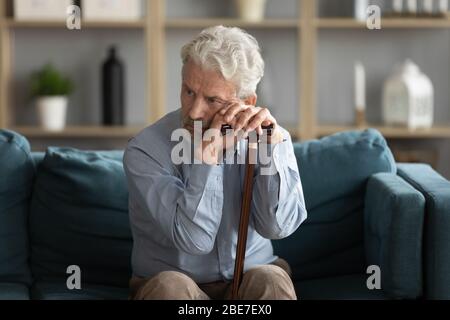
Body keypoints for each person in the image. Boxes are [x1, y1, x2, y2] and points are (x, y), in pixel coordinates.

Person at [123, 25, 307, 300]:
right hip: (174, 283)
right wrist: (207, 157)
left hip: (250, 276)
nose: (194, 111)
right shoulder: (145, 150)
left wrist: (272, 146)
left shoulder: (265, 137)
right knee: (170, 288)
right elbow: (194, 239)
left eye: (212, 100)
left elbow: (276, 227)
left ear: (247, 102)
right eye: (188, 91)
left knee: (271, 279)